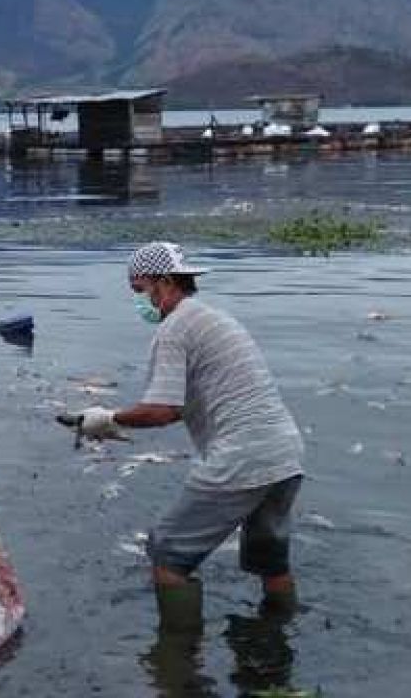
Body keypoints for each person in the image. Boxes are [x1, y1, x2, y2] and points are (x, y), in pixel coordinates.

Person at [70, 241, 304, 634]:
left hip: (241, 459)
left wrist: (105, 418)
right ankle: (278, 643)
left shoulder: (175, 328)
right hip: (285, 455)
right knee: (271, 562)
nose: (139, 301)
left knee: (167, 554)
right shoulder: (214, 318)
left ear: (162, 283)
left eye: (139, 290)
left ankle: (178, 665)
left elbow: (164, 410)